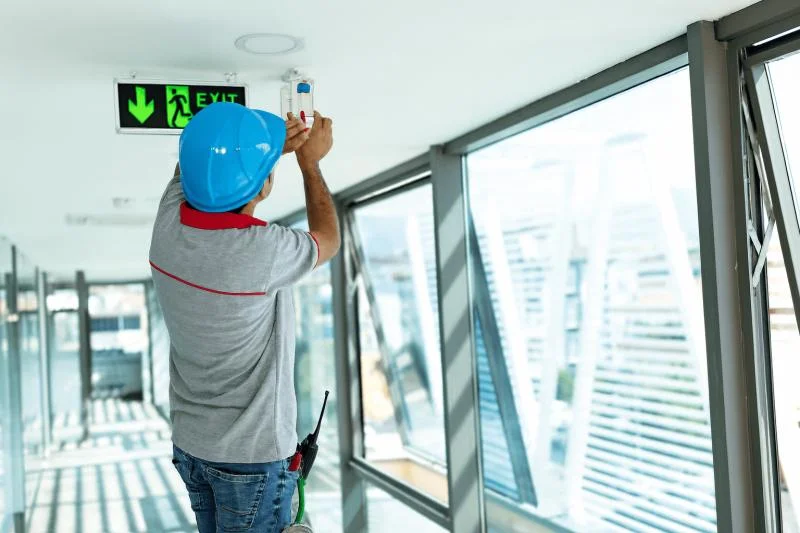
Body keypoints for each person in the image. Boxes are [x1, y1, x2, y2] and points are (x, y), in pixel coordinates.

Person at [148, 102, 339, 533]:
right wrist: (310, 165)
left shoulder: (167, 228)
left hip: (194, 445)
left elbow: (196, 164)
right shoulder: (261, 251)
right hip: (250, 459)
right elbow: (328, 238)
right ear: (263, 186)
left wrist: (259, 153)